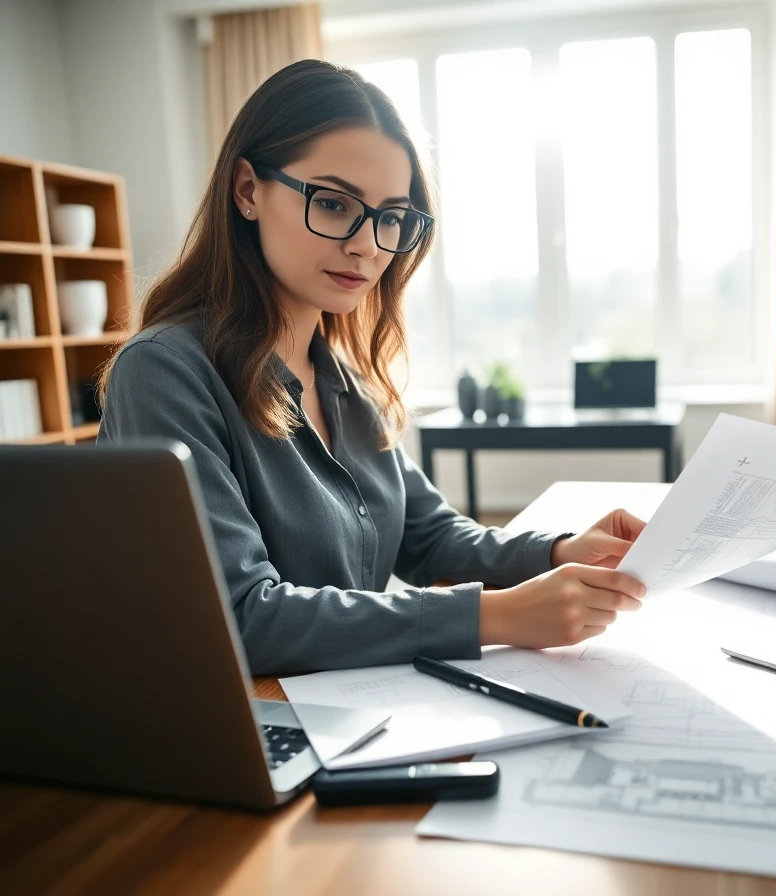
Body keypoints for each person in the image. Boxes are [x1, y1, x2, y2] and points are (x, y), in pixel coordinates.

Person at [97, 59, 647, 676]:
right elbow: (242, 616)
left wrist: (561, 551)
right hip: (242, 727)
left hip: (356, 707)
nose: (369, 244)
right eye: (334, 205)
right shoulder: (164, 374)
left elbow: (429, 536)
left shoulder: (343, 380)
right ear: (248, 190)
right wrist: (492, 615)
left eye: (391, 217)